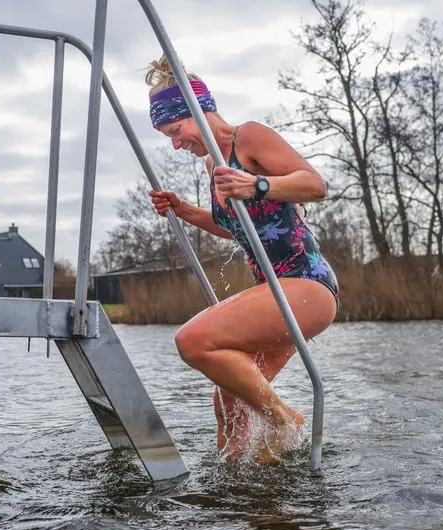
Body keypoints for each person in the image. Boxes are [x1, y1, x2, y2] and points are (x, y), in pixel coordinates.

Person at [144, 57, 339, 462]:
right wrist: (183, 209)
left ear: (197, 111)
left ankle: (286, 421)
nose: (175, 144)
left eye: (176, 131)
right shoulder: (211, 161)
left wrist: (258, 184)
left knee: (193, 341)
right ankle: (252, 486)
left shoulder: (248, 137)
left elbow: (315, 185)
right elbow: (234, 226)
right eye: (168, 137)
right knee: (229, 405)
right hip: (276, 290)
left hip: (307, 285)